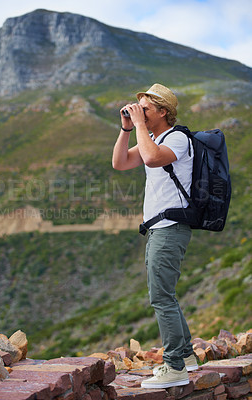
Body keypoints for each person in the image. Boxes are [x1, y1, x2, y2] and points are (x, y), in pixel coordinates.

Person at [112, 83, 198, 389]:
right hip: (158, 228)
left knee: (161, 297)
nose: (140, 112)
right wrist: (126, 129)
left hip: (171, 228)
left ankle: (175, 367)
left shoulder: (177, 138)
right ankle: (186, 356)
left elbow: (150, 159)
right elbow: (120, 163)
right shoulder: (154, 137)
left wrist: (138, 125)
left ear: (163, 111)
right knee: (165, 295)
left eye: (146, 108)